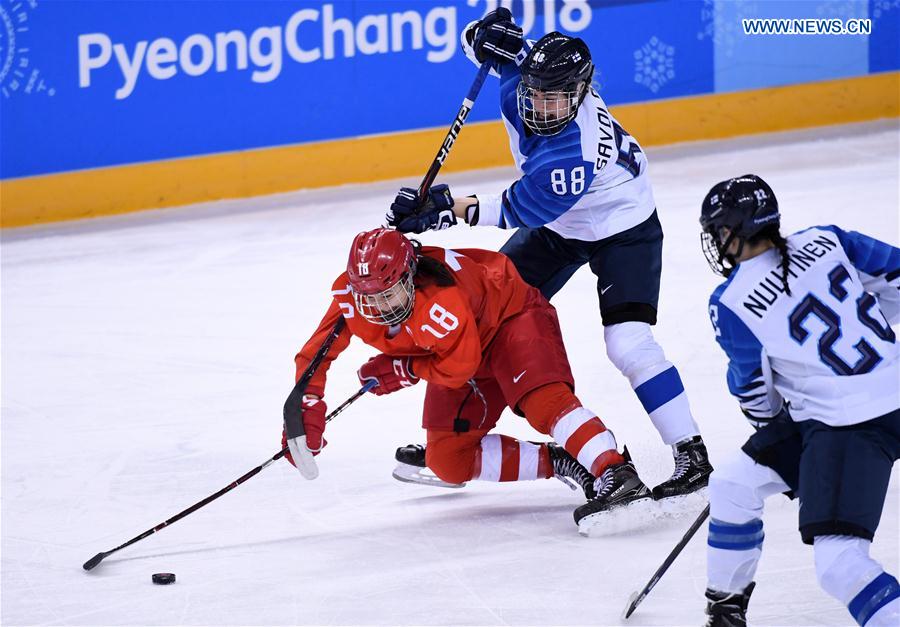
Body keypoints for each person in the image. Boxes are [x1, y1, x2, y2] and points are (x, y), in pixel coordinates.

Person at [386, 8, 711, 501]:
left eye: (555, 99)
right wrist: (481, 34)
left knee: (627, 343)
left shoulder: (572, 153)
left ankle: (691, 452)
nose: (541, 107)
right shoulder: (530, 76)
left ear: (579, 93)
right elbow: (483, 47)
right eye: (536, 94)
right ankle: (455, 436)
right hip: (563, 225)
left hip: (621, 226)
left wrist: (443, 209)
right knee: (482, 315)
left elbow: (516, 208)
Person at [283, 227, 657, 529]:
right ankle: (561, 460)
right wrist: (305, 407)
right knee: (448, 460)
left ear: (410, 276)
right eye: (370, 297)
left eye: (389, 294)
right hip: (459, 348)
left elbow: (459, 368)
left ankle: (616, 472)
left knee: (544, 404)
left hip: (511, 320)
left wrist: (406, 368)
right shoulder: (354, 294)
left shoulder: (441, 300)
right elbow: (315, 354)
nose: (379, 307)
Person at [698, 174, 900, 626]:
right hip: (876, 392)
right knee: (733, 484)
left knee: (838, 561)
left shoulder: (731, 301)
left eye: (718, 230)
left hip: (848, 424)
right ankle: (726, 614)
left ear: (732, 231)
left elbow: (755, 393)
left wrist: (779, 424)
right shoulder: (828, 240)